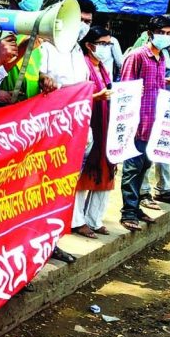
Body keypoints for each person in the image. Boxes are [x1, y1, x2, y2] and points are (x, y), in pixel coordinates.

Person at [118, 14, 170, 232]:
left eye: (168, 34)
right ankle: (128, 211)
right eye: (161, 33)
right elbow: (127, 89)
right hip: (136, 124)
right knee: (131, 169)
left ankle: (136, 207)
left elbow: (156, 87)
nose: (165, 37)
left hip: (153, 124)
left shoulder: (162, 57)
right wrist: (130, 123)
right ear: (150, 34)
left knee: (144, 167)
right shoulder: (137, 56)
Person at [71, 27, 114, 239]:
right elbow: (77, 95)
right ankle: (77, 220)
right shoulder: (83, 65)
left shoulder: (104, 68)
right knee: (84, 172)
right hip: (88, 125)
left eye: (109, 44)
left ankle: (94, 219)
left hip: (106, 124)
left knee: (106, 170)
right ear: (89, 45)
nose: (107, 48)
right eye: (103, 44)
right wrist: (97, 97)